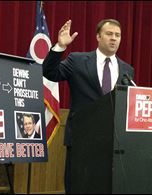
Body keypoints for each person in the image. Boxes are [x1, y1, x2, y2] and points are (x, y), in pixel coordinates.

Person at [42, 19, 134, 193]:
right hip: (80, 138)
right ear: (98, 36)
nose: (113, 38)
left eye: (117, 35)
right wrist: (60, 47)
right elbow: (50, 72)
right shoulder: (77, 60)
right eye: (109, 34)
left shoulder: (127, 70)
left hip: (111, 143)